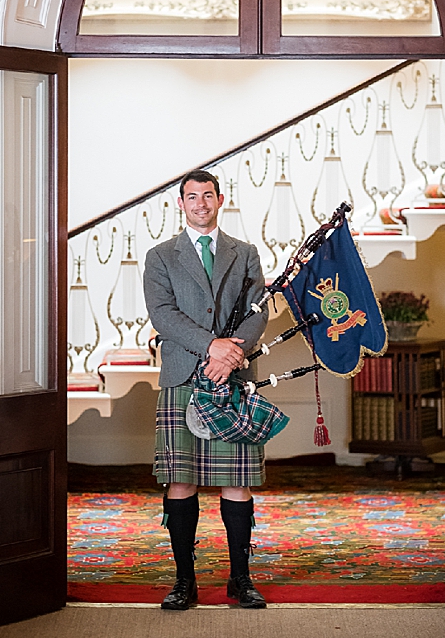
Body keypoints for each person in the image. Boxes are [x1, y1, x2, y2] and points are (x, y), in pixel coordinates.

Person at [143, 169, 269, 610]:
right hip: (183, 376)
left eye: (207, 195)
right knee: (180, 482)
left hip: (233, 379)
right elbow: (163, 314)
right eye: (191, 197)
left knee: (238, 482)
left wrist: (230, 355)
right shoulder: (160, 256)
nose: (200, 203)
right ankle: (184, 583)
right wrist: (212, 347)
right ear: (181, 204)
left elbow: (259, 311)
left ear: (220, 199)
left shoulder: (246, 253)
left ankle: (240, 579)